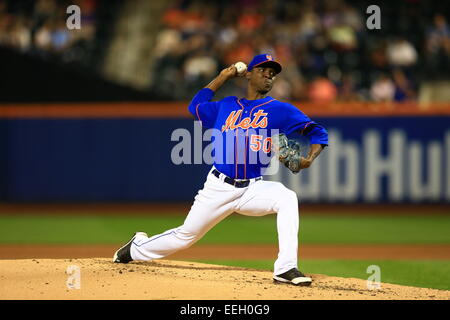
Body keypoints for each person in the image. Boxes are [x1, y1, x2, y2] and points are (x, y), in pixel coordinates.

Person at [113, 54, 329, 286]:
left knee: (286, 198)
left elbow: (318, 133)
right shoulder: (225, 106)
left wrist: (310, 158)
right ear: (248, 74)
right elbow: (194, 107)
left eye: (273, 72)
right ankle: (135, 248)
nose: (269, 74)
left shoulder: (280, 110)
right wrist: (222, 76)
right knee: (185, 236)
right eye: (263, 69)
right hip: (218, 187)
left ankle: (285, 268)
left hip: (252, 188)